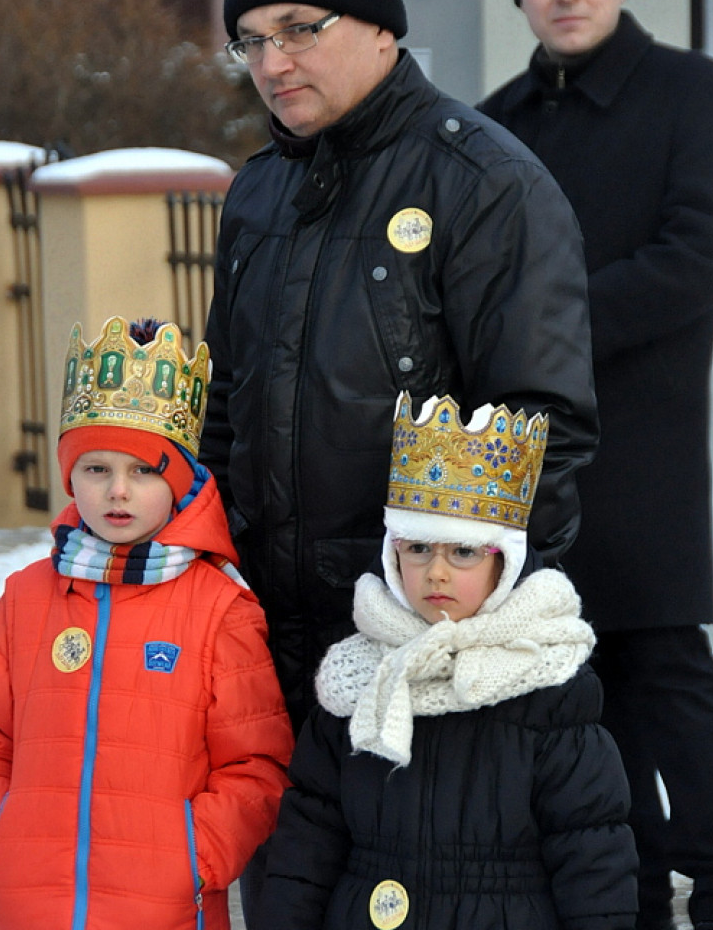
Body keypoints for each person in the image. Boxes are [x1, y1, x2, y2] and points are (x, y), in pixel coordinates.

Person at [200, 0, 599, 737]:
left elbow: (536, 436)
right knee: (286, 869)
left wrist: (466, 637)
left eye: (298, 30)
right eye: (251, 42)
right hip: (263, 646)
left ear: (381, 26)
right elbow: (225, 406)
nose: (273, 63)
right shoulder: (257, 192)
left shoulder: (484, 183)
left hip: (422, 656)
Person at [478, 0, 713, 927]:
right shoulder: (497, 122)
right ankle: (619, 888)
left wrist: (555, 329)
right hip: (535, 455)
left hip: (649, 441)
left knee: (667, 676)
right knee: (573, 681)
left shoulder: (694, 94)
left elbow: (699, 252)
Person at [253, 392, 638, 930]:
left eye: (462, 552)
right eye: (417, 549)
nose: (436, 573)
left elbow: (593, 858)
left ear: (504, 562)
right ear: (392, 554)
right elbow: (308, 840)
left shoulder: (549, 692)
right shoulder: (358, 679)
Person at [0, 315, 294, 930]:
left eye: (143, 471)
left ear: (180, 482)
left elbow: (255, 763)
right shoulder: (25, 599)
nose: (119, 491)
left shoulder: (220, 610)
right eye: (96, 469)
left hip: (166, 909)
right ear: (69, 477)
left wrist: (195, 857)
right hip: (31, 905)